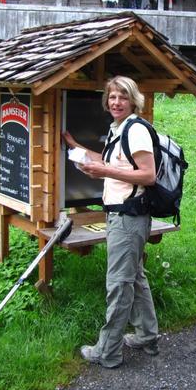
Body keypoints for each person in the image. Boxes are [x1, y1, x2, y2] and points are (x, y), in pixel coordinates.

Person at [61, 76, 160, 368]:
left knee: (119, 284)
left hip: (129, 218)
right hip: (122, 216)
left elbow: (148, 175)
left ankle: (108, 351)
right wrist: (74, 146)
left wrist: (105, 172)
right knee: (135, 279)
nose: (116, 102)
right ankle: (146, 335)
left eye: (123, 97)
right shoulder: (118, 128)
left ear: (133, 100)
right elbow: (110, 161)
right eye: (112, 97)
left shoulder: (136, 130)